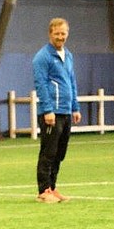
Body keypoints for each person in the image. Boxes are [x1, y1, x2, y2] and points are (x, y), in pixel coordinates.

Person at [32, 17, 82, 203]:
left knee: (60, 153)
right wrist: (48, 110)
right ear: (50, 34)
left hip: (66, 111)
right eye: (57, 34)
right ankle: (43, 190)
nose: (60, 37)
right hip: (51, 112)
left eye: (63, 33)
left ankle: (52, 187)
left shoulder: (68, 55)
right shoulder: (42, 57)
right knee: (49, 152)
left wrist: (75, 107)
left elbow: (71, 82)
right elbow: (41, 84)